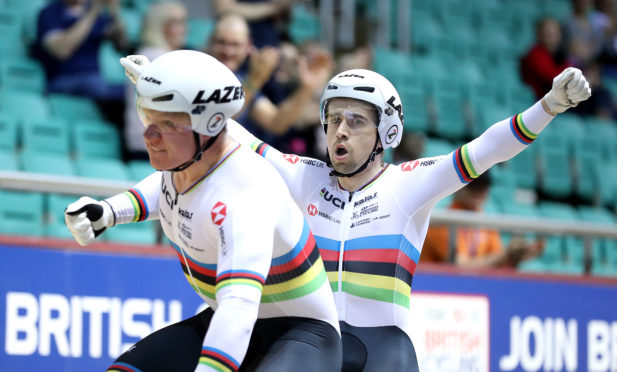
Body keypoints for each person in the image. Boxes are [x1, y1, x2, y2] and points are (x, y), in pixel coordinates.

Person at [122, 55, 591, 371]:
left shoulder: (410, 184)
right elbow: (230, 134)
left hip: (382, 346)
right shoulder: (303, 176)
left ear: (386, 133)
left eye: (355, 120)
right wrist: (161, 88)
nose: (339, 130)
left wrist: (549, 106)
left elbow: (487, 150)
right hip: (307, 340)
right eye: (332, 118)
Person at [65, 50, 342, 372]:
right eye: (147, 117)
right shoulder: (193, 151)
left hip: (300, 335)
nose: (149, 136)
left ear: (209, 126)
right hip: (226, 316)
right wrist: (108, 211)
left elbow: (239, 305)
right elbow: (169, 185)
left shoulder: (247, 193)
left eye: (166, 124)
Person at [209, 13, 332, 142]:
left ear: (248, 46)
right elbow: (215, 119)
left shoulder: (242, 79)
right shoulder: (198, 70)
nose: (228, 51)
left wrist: (307, 88)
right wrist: (254, 80)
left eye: (235, 45)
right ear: (210, 41)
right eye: (221, 42)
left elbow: (276, 123)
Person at [421, 172, 544, 269]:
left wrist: (514, 258)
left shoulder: (486, 222)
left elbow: (496, 262)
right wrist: (506, 256)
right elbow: (460, 268)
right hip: (438, 291)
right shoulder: (442, 222)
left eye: (484, 185)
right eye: (474, 184)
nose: (479, 190)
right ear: (457, 186)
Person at [123, 1, 188, 160]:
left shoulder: (147, 55)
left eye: (184, 23)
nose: (184, 30)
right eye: (176, 23)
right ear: (160, 25)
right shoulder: (155, 58)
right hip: (151, 147)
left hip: (150, 143)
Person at [34, 0, 128, 103]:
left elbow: (121, 45)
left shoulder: (96, 15)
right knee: (96, 86)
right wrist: (94, 10)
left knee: (134, 91)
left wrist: (114, 10)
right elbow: (60, 51)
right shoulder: (50, 12)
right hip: (62, 80)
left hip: (94, 81)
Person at [520, 17, 573, 100]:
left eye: (553, 34)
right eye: (546, 34)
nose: (549, 39)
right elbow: (554, 79)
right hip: (538, 101)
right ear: (538, 35)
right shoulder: (535, 54)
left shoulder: (558, 54)